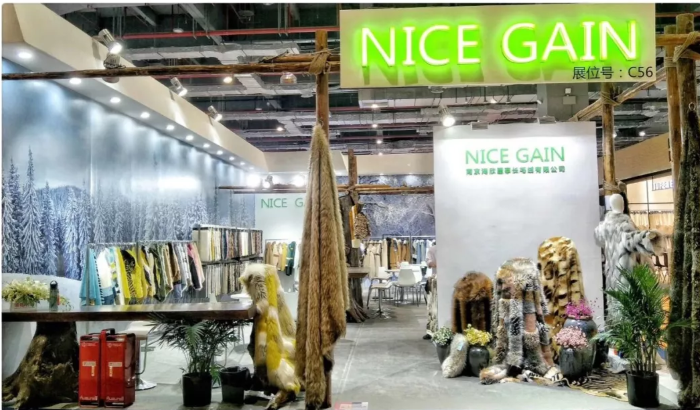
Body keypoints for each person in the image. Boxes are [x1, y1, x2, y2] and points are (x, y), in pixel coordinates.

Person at [424, 243, 437, 340]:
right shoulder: (433, 249)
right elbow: (429, 263)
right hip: (435, 282)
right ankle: (431, 330)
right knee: (431, 307)